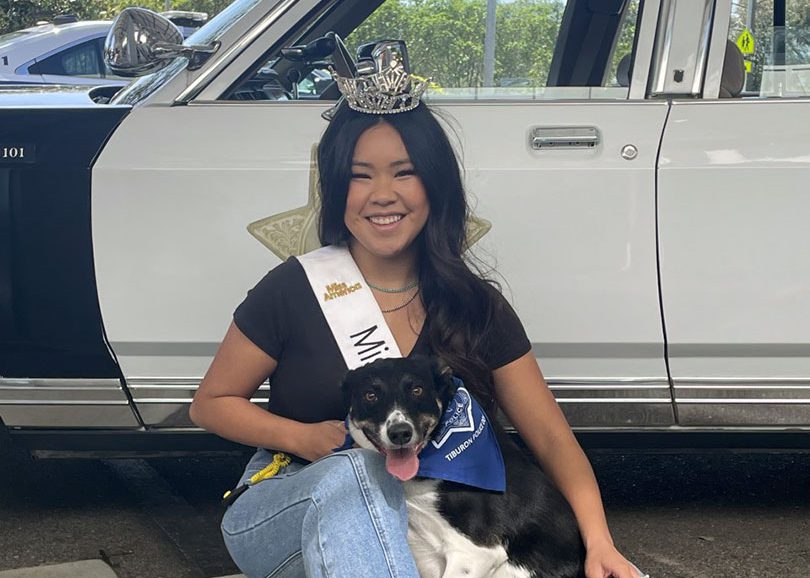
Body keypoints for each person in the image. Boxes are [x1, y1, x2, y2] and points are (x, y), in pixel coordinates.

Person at [191, 44, 642, 578]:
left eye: (404, 173)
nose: (383, 194)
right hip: (285, 508)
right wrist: (301, 437)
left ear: (435, 185)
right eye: (360, 176)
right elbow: (210, 403)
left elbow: (549, 437)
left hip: (415, 532)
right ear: (336, 190)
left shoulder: (475, 307)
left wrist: (599, 542)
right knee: (359, 470)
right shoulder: (294, 288)